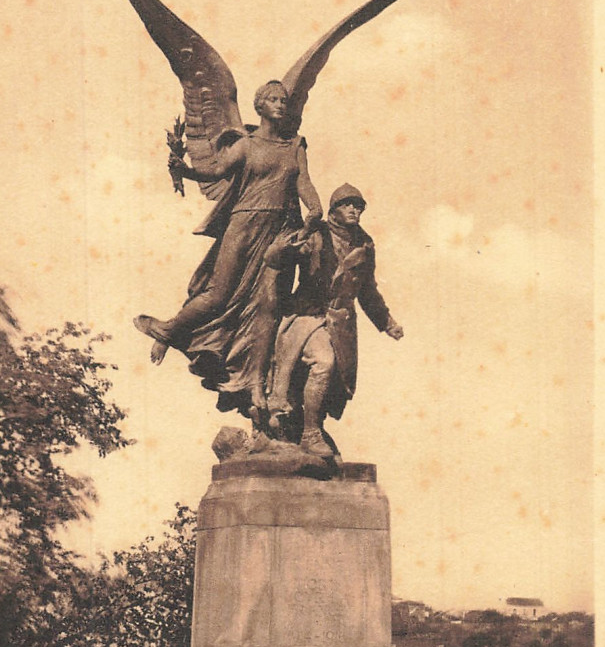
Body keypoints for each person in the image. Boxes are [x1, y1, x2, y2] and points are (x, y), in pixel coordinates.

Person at [134, 80, 322, 416]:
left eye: (284, 100)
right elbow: (216, 171)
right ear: (260, 106)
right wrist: (184, 170)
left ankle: (255, 382)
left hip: (280, 233)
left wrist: (315, 207)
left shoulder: (295, 145)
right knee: (217, 295)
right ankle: (168, 330)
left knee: (269, 308)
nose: (281, 105)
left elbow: (302, 181)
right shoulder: (247, 145)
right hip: (243, 226)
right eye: (274, 100)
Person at [267, 183, 404, 458]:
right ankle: (310, 434)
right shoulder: (316, 235)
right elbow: (278, 259)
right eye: (348, 204)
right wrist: (294, 247)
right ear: (334, 210)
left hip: (341, 324)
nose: (355, 209)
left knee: (334, 384)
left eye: (359, 206)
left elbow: (367, 290)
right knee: (323, 363)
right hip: (307, 316)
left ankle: (311, 426)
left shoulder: (364, 244)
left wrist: (387, 321)